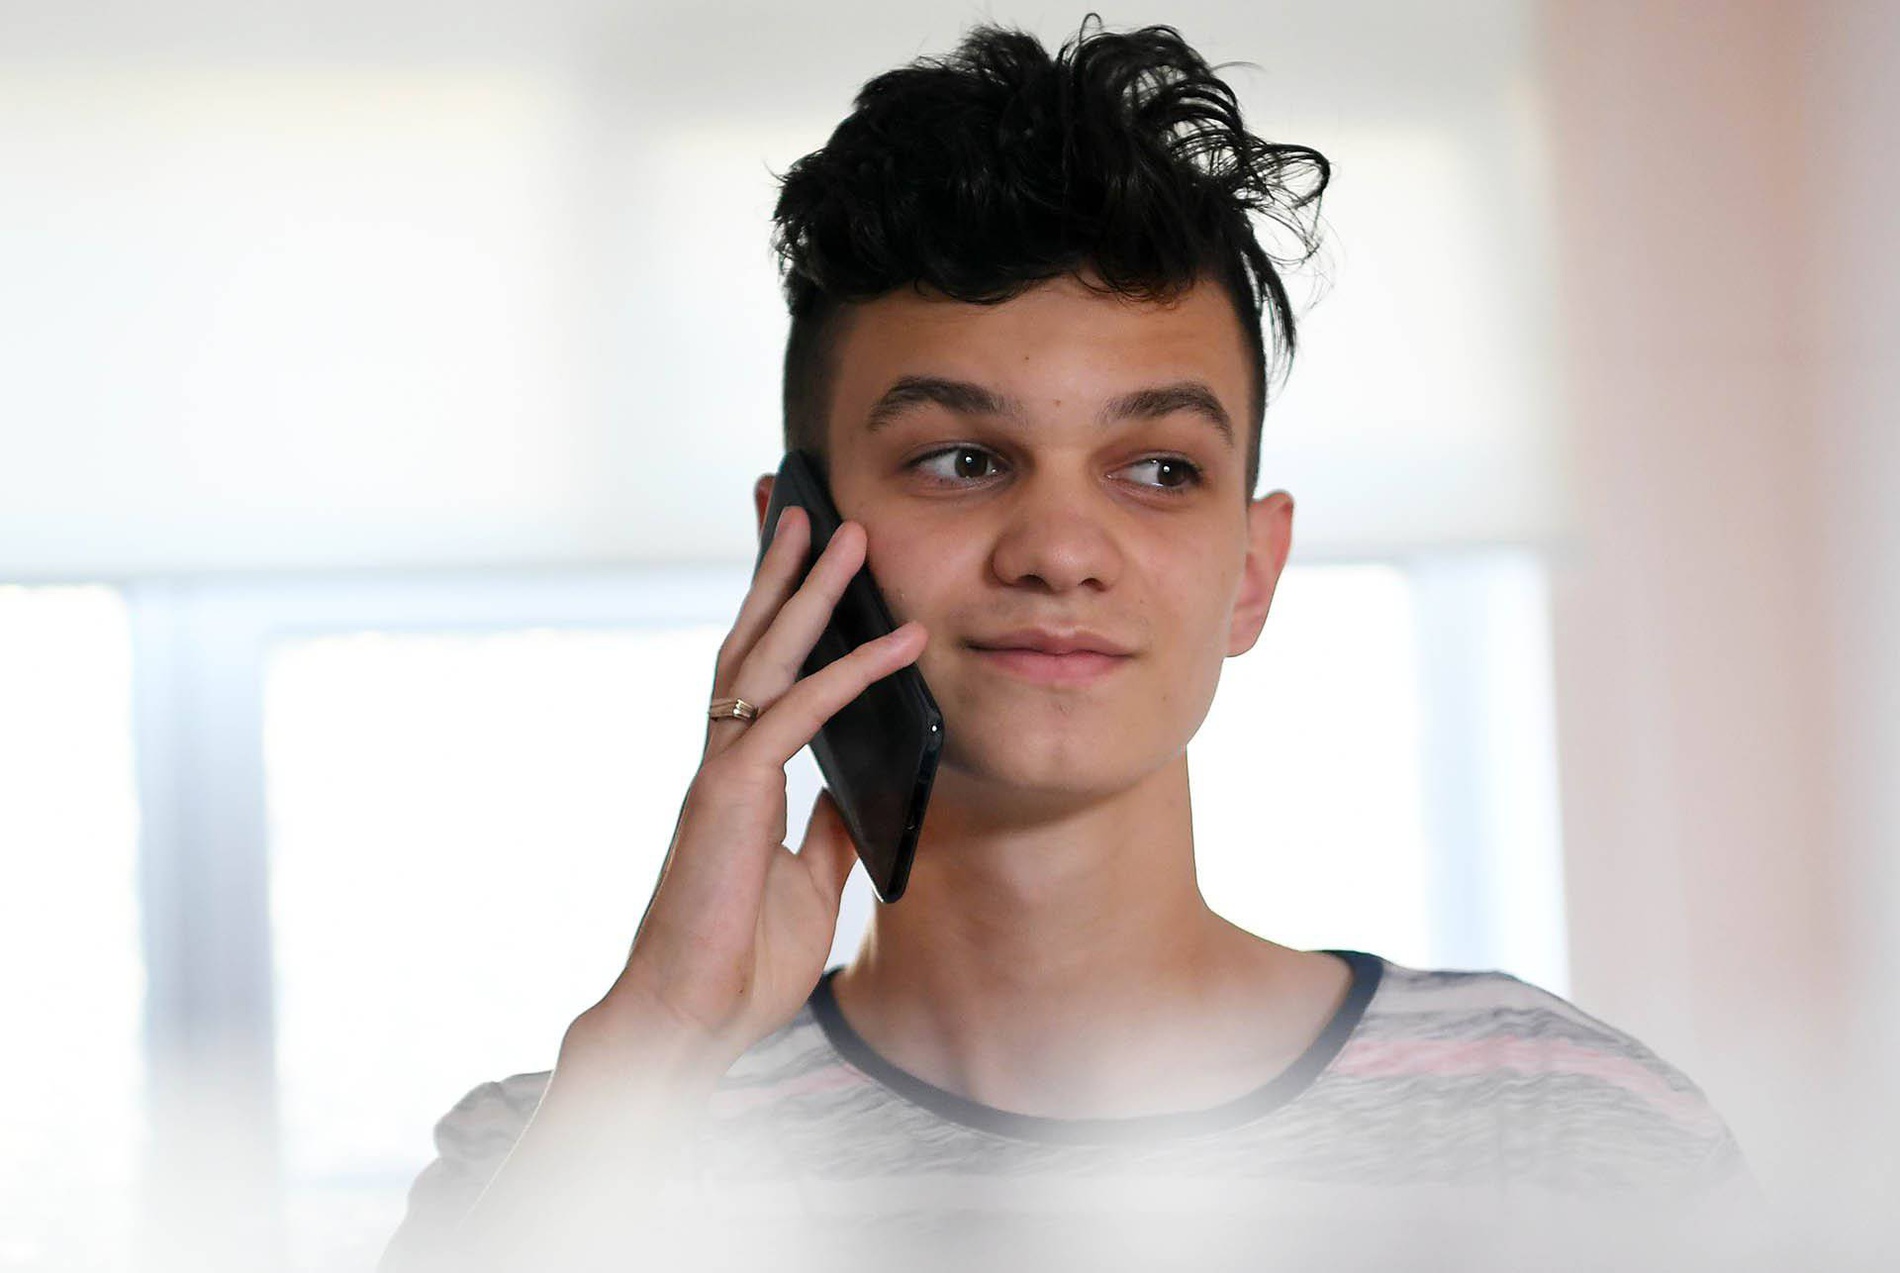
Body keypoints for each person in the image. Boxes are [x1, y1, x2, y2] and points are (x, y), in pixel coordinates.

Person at [380, 17, 1755, 1273]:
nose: (1059, 549)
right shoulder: (563, 1153)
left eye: (1158, 469)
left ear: (1253, 572)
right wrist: (658, 1048)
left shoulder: (1572, 1130)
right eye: (962, 459)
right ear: (791, 545)